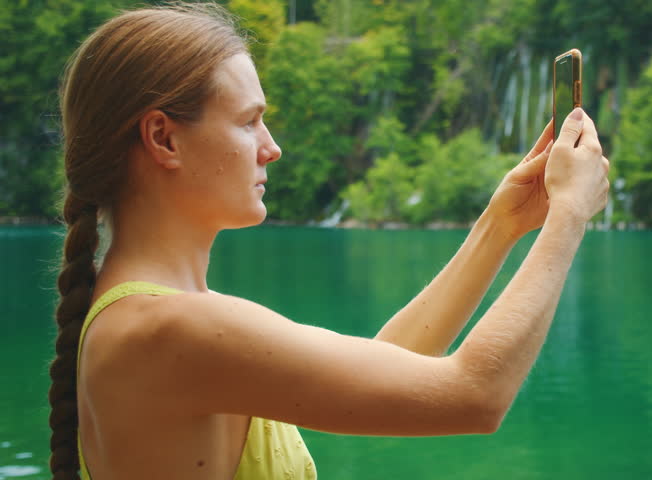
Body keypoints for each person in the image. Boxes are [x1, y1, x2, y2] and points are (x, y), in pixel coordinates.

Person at [47, 3, 610, 480]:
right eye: (249, 122)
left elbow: (395, 364)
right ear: (162, 137)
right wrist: (569, 215)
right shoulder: (170, 329)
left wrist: (501, 225)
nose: (271, 148)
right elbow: (475, 395)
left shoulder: (157, 319)